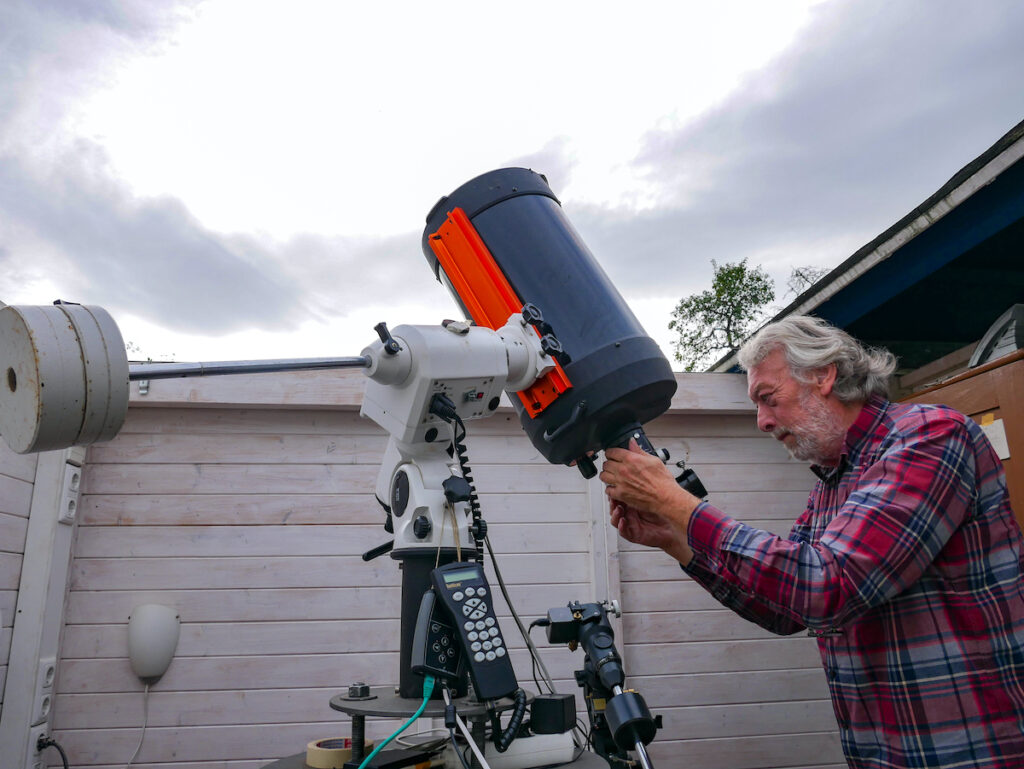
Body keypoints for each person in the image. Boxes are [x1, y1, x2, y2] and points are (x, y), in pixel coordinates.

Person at [600, 315, 1024, 769]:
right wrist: (676, 540)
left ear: (824, 375)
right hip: (882, 752)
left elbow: (827, 585)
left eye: (768, 399)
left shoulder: (930, 438)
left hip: (968, 749)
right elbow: (784, 611)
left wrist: (676, 503)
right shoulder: (830, 486)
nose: (762, 422)